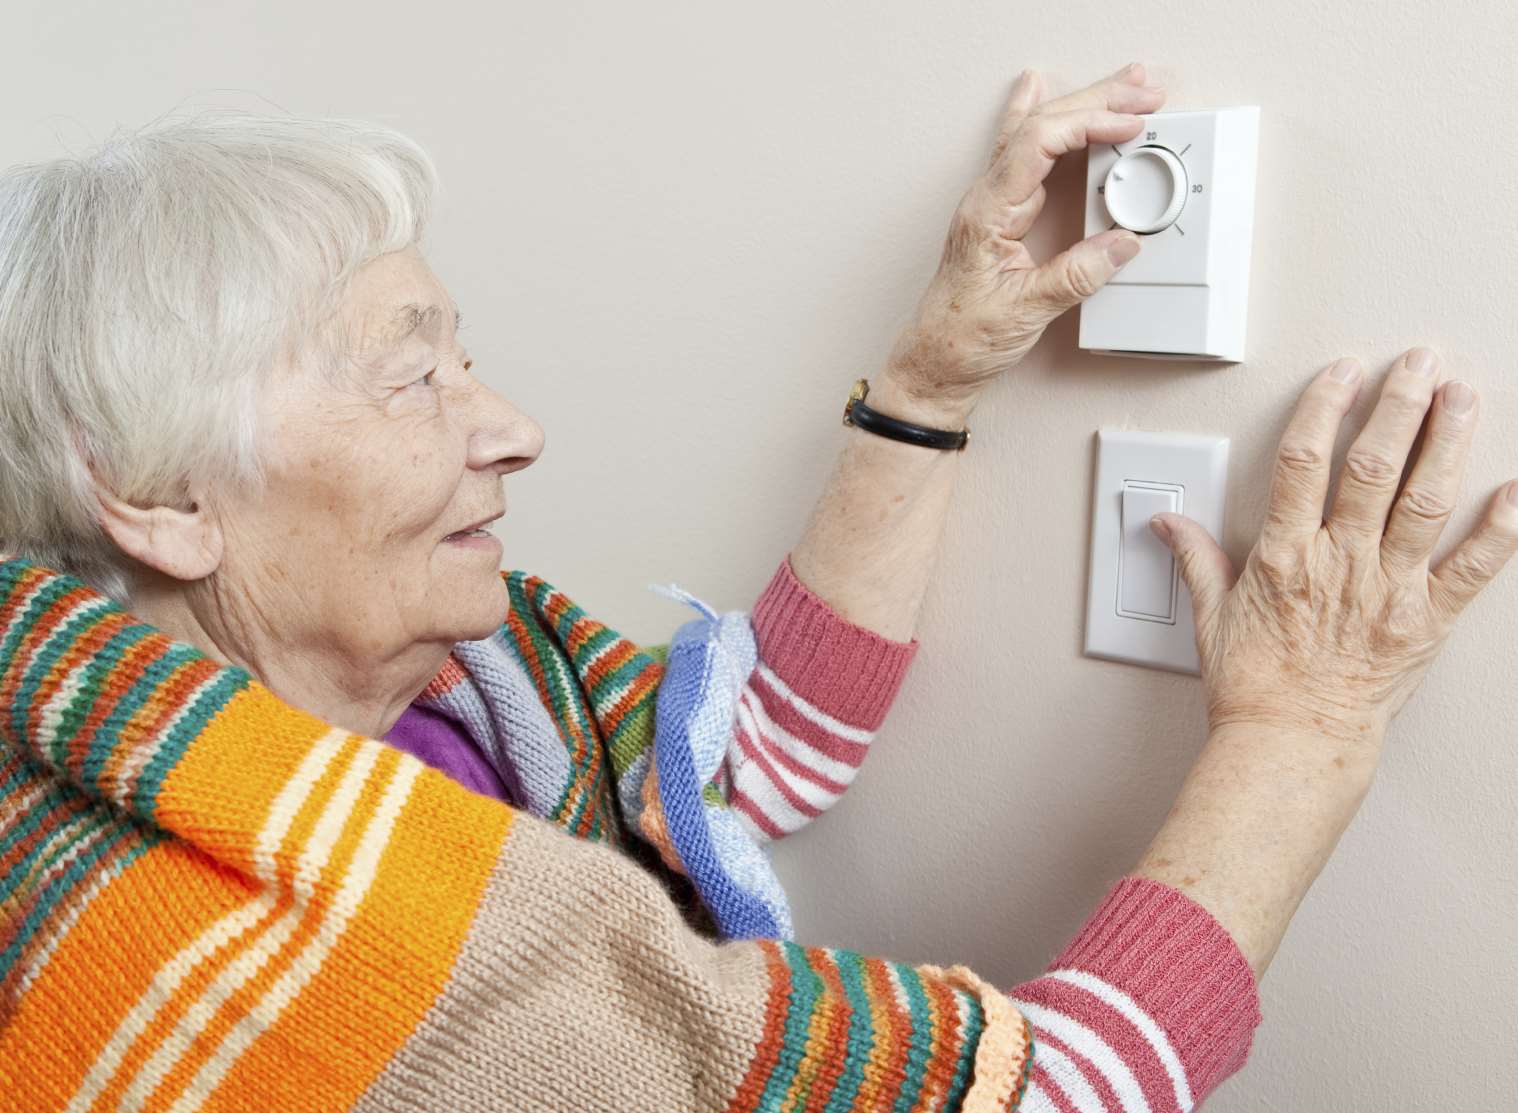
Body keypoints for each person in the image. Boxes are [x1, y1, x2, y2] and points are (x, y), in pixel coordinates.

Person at [0, 62, 1512, 1111]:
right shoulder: (274, 970)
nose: (510, 424)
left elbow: (744, 751)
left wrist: (932, 376)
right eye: (411, 377)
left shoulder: (458, 693)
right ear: (157, 499)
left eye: (463, 351)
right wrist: (1305, 724)